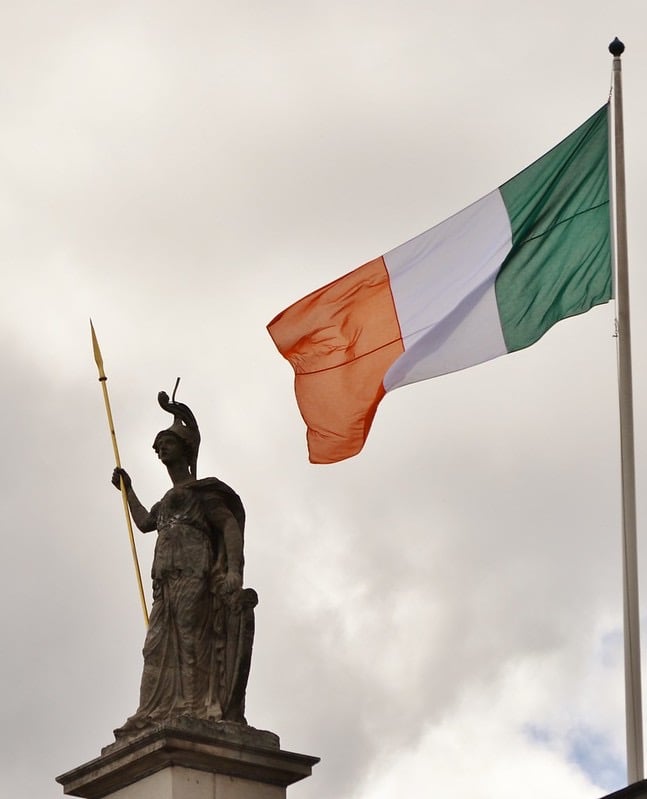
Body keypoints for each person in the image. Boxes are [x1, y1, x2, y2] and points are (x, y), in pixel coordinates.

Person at [111, 391, 257, 740]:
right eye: (157, 445)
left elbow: (228, 527)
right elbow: (146, 523)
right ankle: (152, 712)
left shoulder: (203, 492)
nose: (159, 448)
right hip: (164, 579)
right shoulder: (165, 501)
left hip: (194, 572)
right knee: (156, 645)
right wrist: (127, 490)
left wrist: (233, 569)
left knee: (193, 638)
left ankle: (196, 708)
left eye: (166, 442)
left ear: (184, 448)